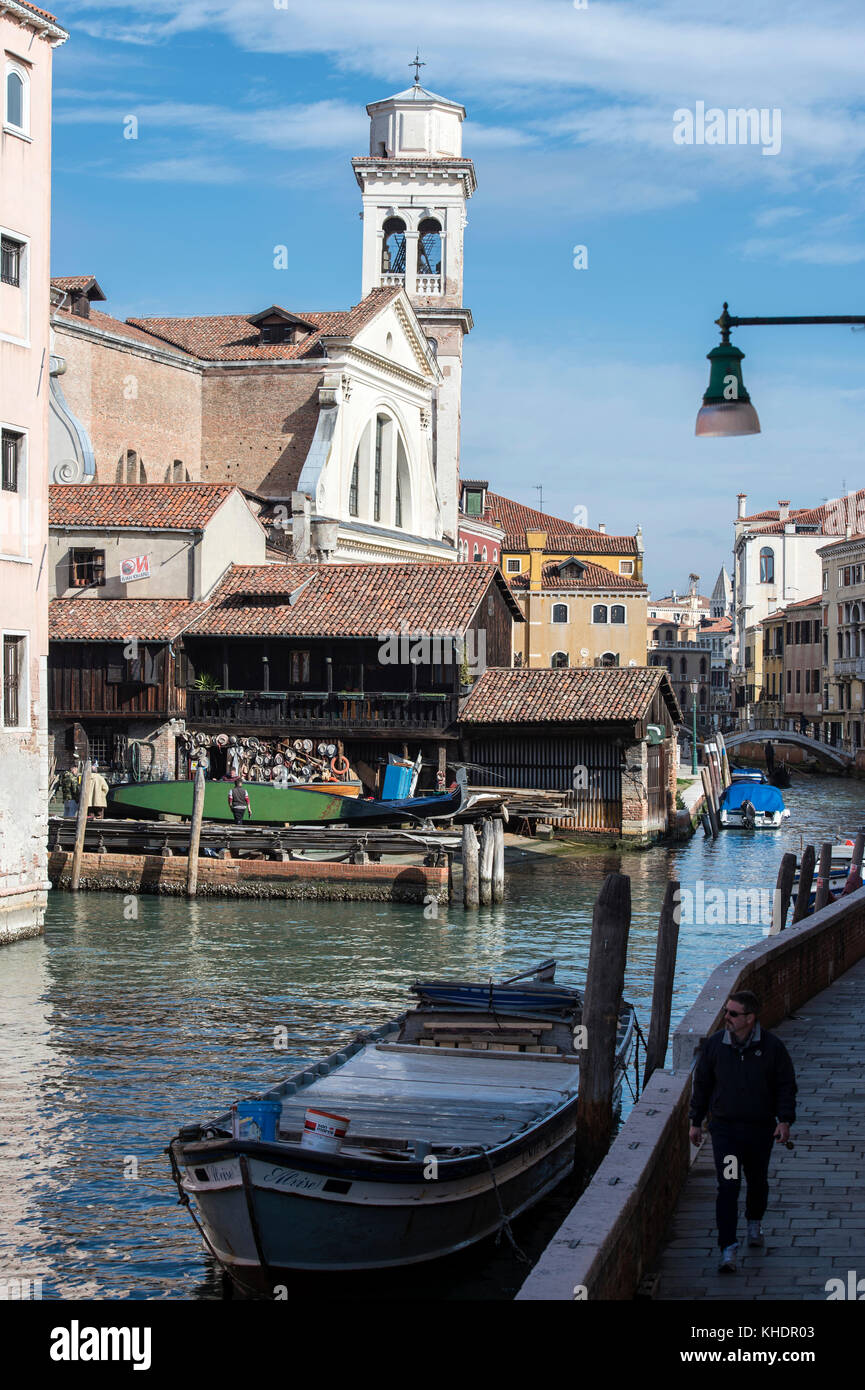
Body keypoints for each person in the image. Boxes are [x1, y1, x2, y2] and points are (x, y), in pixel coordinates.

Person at [688, 989, 796, 1274]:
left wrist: (784, 1120)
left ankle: (754, 1222)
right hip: (726, 1132)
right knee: (729, 1186)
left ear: (750, 1018)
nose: (727, 1018)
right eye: (726, 1012)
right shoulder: (714, 1046)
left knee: (757, 1182)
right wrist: (695, 1121)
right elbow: (702, 1086)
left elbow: (786, 1086)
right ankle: (728, 1248)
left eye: (733, 1014)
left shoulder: (772, 1048)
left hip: (760, 1131)